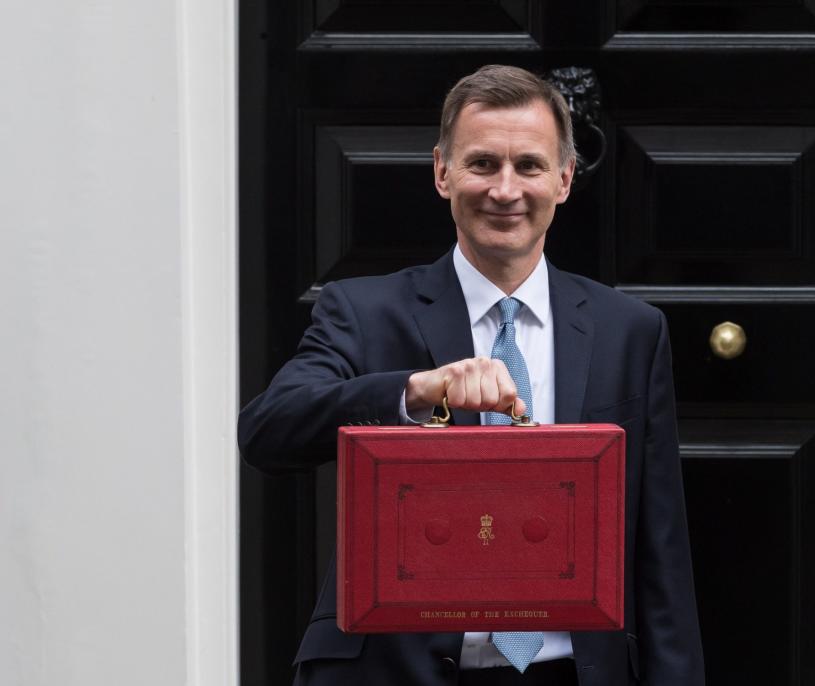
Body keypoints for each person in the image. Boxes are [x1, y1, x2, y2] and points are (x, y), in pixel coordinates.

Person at [238, 64, 704, 686]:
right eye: (482, 163)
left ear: (564, 179)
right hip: (394, 671)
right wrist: (414, 391)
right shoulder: (362, 309)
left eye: (530, 166)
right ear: (442, 173)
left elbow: (660, 548)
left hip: (571, 671)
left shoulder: (630, 330)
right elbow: (267, 430)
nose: (505, 190)